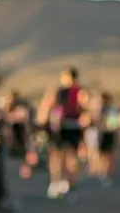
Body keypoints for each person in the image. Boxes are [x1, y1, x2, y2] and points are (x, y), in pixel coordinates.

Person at [36, 67, 86, 199]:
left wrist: (42, 124)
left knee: (58, 156)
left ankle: (57, 182)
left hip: (60, 127)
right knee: (69, 156)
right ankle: (67, 183)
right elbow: (85, 109)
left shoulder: (60, 91)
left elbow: (45, 107)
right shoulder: (80, 91)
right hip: (72, 126)